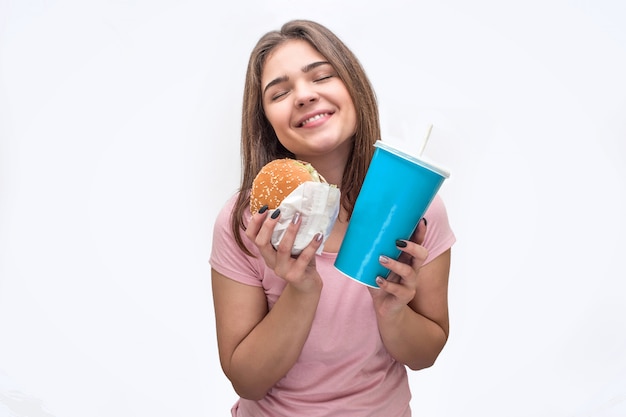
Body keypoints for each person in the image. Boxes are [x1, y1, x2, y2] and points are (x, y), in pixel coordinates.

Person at [210, 19, 456, 417]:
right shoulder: (247, 223)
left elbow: (425, 355)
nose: (304, 96)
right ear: (267, 121)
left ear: (353, 87)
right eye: (280, 92)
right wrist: (302, 289)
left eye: (322, 76)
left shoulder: (418, 211)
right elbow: (247, 381)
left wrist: (392, 310)